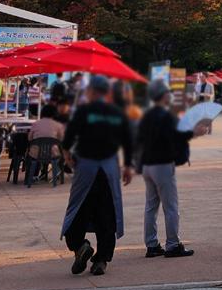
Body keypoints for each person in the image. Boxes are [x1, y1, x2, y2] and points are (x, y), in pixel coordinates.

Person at [60, 76, 134, 277]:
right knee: (107, 214)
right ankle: (101, 259)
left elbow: (68, 138)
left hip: (86, 167)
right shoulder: (117, 112)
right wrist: (128, 165)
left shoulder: (83, 111)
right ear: (107, 93)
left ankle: (80, 245)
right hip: (109, 169)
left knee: (77, 210)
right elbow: (127, 139)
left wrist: (66, 154)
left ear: (92, 92)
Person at [135, 79, 210, 258]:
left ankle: (152, 244)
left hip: (147, 165)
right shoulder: (166, 116)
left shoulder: (147, 115)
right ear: (163, 95)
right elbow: (176, 134)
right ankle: (172, 244)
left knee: (150, 206)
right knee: (170, 206)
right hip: (162, 164)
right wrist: (195, 132)